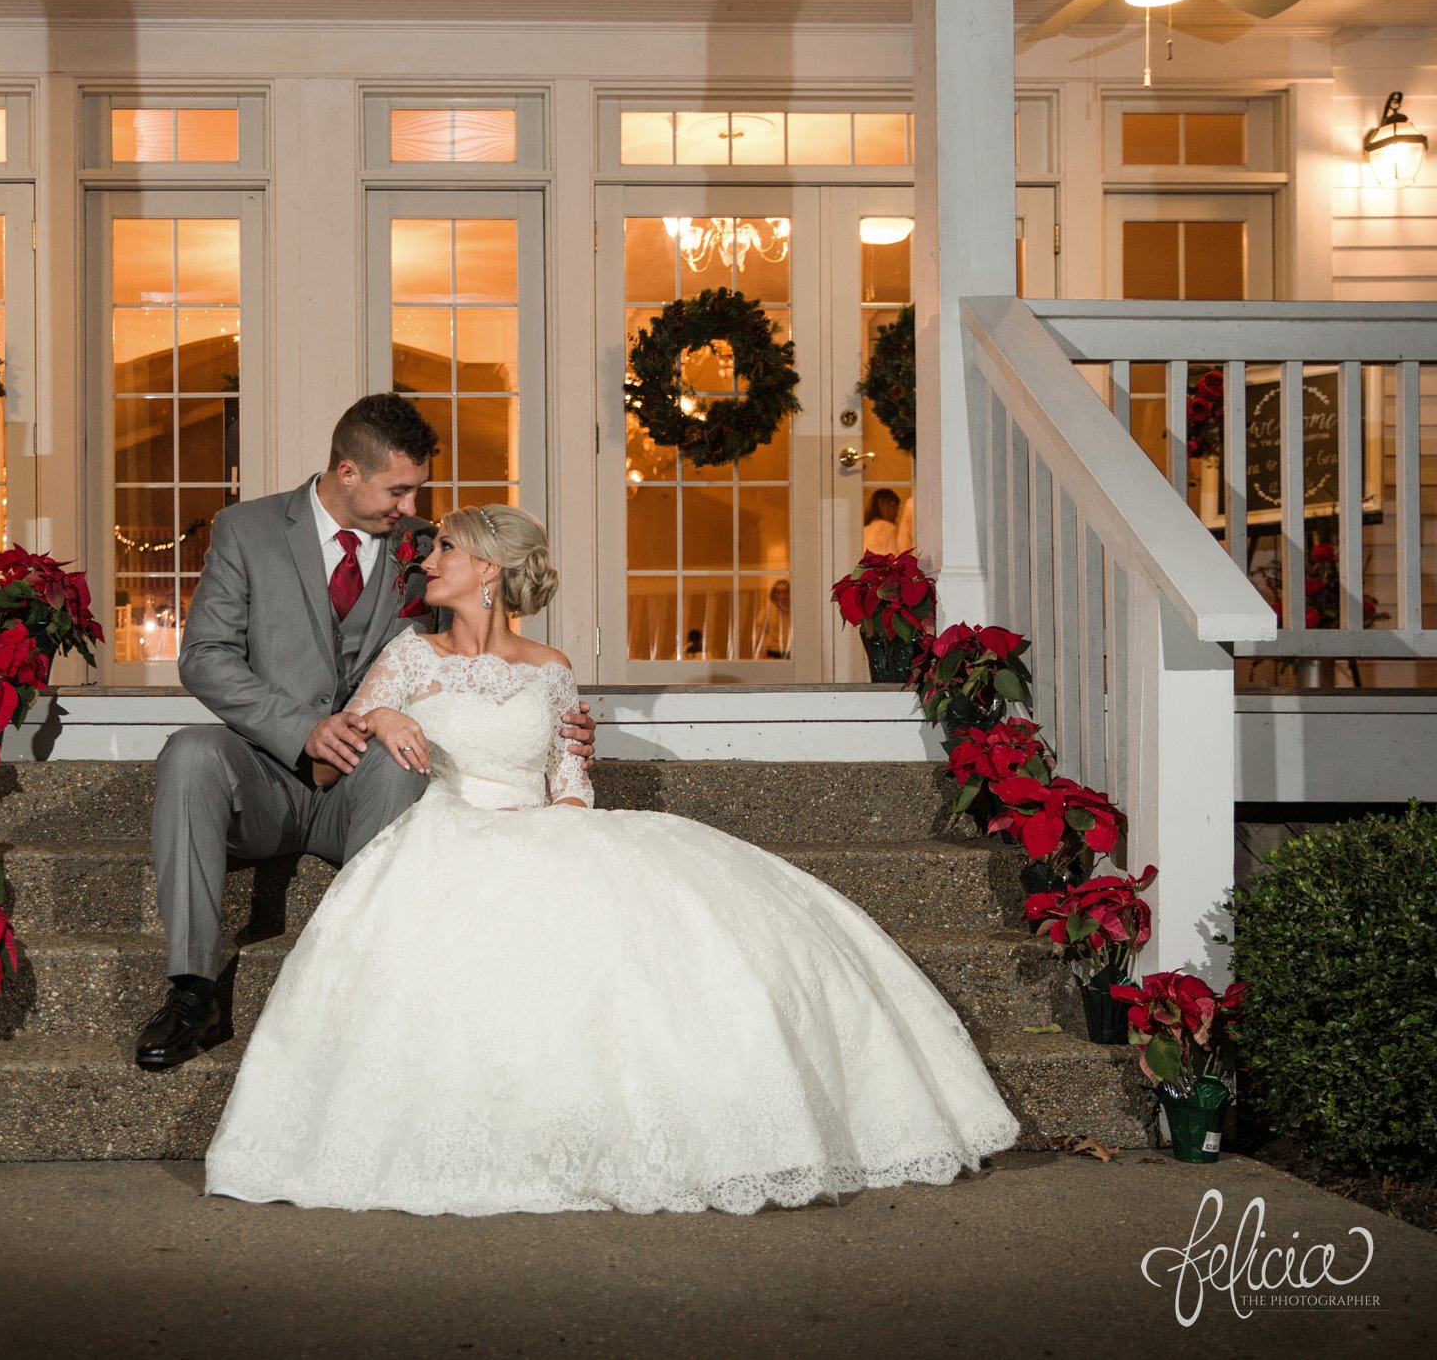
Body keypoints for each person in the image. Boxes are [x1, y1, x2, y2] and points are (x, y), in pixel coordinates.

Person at [203, 504, 1019, 1215]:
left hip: (543, 828)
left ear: (487, 568)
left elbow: (568, 779)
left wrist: (560, 826)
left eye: (445, 548)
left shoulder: (552, 670)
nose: (427, 560)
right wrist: (381, 721)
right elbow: (339, 739)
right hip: (445, 832)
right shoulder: (411, 655)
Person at [137, 394, 596, 1070]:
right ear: (348, 472)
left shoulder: (423, 548)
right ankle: (192, 989)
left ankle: (368, 983)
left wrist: (557, 722)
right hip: (266, 770)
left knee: (405, 755)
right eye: (399, 488)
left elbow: (479, 656)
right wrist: (302, 727)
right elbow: (204, 656)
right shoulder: (247, 530)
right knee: (190, 753)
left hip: (366, 781)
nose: (411, 507)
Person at [863, 487, 903, 556]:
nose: (897, 514)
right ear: (891, 505)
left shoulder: (865, 530)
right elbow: (893, 558)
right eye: (897, 509)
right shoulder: (889, 528)